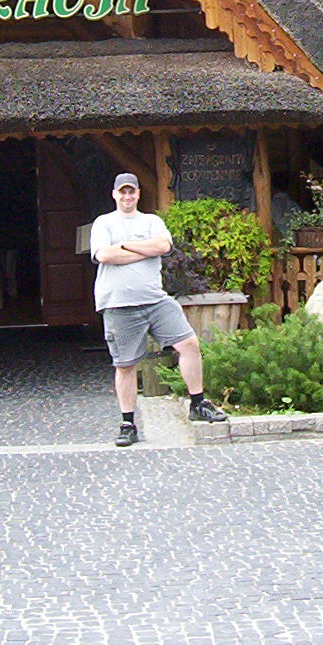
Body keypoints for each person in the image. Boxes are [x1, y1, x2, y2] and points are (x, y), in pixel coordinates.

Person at [90, 172, 228, 446]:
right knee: (126, 365)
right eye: (122, 192)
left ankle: (197, 403)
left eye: (131, 191)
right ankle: (128, 423)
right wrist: (145, 249)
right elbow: (104, 254)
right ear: (114, 194)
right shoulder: (103, 222)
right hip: (119, 304)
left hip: (156, 300)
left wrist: (124, 246)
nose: (127, 196)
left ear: (138, 194)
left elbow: (163, 246)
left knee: (189, 344)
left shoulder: (152, 221)